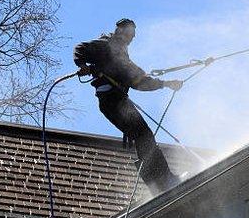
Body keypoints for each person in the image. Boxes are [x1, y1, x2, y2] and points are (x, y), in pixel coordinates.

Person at [73, 18, 183, 194]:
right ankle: (162, 180)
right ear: (119, 32)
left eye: (133, 36)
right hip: (111, 101)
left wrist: (166, 84)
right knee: (143, 135)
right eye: (129, 35)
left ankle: (159, 182)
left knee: (143, 135)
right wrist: (83, 65)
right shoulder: (105, 45)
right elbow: (80, 49)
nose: (131, 39)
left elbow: (140, 81)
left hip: (118, 101)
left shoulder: (123, 57)